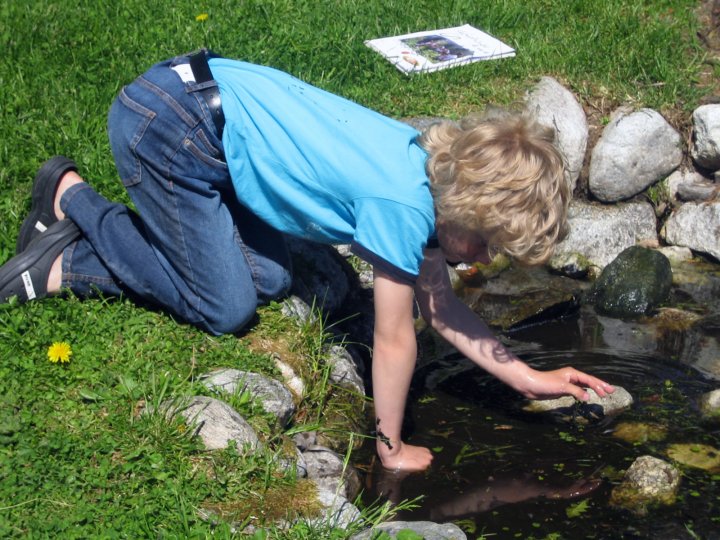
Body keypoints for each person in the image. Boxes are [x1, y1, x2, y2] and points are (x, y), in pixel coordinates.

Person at [0, 50, 614, 471]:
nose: (481, 260)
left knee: (268, 276)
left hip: (193, 105)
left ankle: (72, 209)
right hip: (166, 129)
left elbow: (441, 302)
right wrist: (391, 446)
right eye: (487, 243)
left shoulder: (431, 175)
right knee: (227, 306)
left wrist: (532, 379)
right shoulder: (400, 205)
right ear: (466, 209)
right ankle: (70, 217)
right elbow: (398, 337)